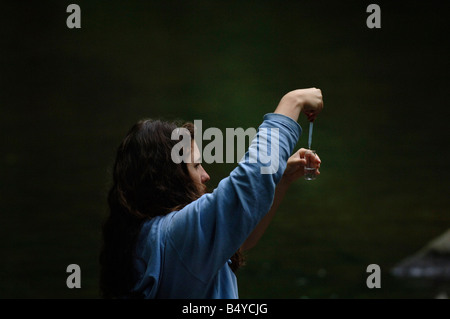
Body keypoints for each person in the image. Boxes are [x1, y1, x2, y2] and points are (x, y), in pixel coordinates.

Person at [99, 88, 323, 298]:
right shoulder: (176, 235)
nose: (205, 176)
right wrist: (292, 102)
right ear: (167, 179)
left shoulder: (144, 235)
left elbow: (239, 238)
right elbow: (249, 181)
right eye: (196, 166)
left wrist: (281, 179)